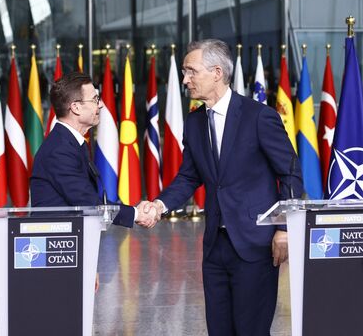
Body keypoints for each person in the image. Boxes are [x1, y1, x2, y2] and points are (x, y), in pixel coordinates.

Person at [140, 39, 303, 335]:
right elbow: (189, 176)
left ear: (216, 72)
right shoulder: (194, 122)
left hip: (256, 244)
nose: (185, 79)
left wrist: (284, 229)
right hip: (215, 246)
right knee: (219, 329)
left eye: (191, 71)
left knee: (251, 329)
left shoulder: (259, 117)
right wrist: (159, 205)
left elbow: (290, 172)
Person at [30, 71, 156, 228]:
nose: (101, 104)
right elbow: (87, 202)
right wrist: (136, 214)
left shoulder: (71, 143)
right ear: (76, 107)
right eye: (95, 99)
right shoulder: (60, 150)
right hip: (55, 243)